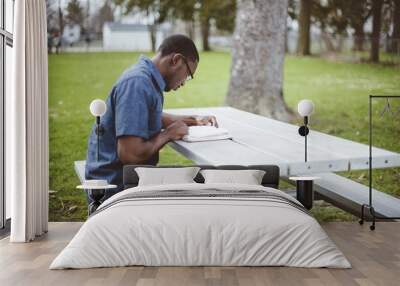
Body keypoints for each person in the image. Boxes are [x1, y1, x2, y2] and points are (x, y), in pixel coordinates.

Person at [85, 34, 217, 202]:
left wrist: (193, 120)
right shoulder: (138, 84)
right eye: (188, 74)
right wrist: (169, 134)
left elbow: (148, 115)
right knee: (195, 196)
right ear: (175, 60)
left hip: (123, 177)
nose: (184, 82)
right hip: (114, 187)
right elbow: (130, 154)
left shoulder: (145, 77)